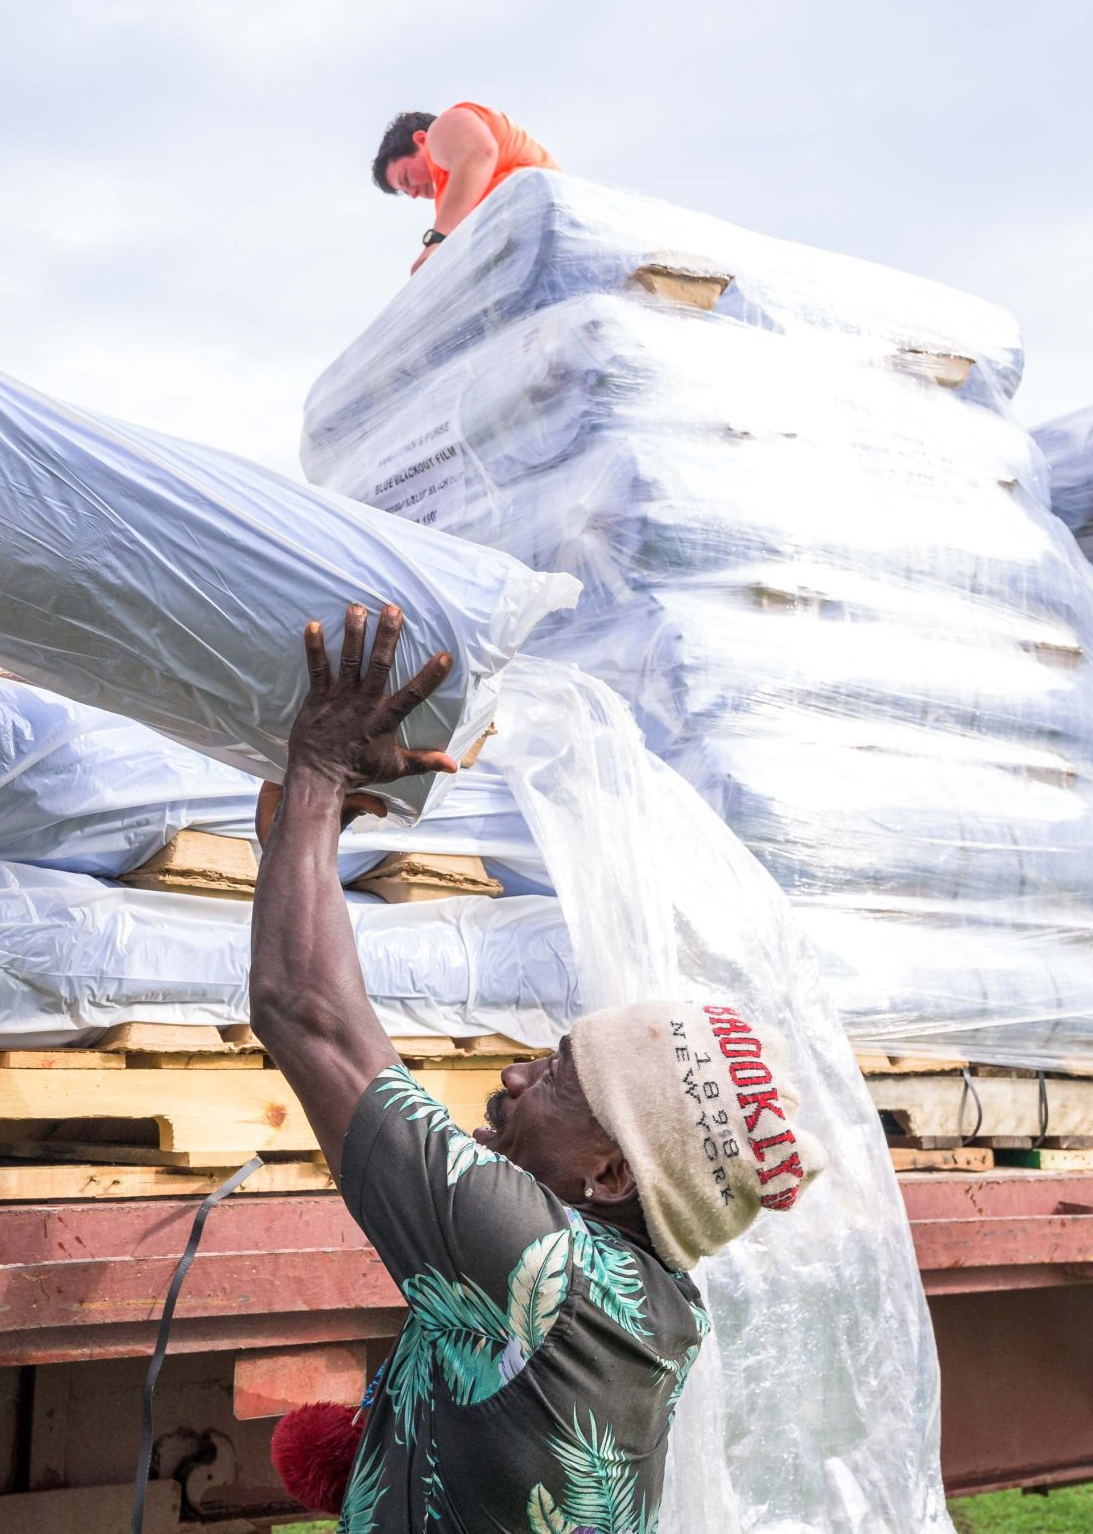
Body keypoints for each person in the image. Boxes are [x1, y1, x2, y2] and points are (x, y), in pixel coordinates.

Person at [247, 603, 823, 1531]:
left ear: (612, 1172)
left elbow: (306, 1016)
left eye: (559, 1081)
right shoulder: (648, 1300)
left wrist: (320, 768)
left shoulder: (548, 1273)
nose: (514, 1080)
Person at [370, 104, 559, 273]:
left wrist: (438, 239)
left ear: (420, 140)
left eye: (406, 179)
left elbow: (480, 152)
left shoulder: (443, 127)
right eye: (406, 193)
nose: (413, 193)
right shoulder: (455, 202)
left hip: (547, 227)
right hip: (535, 256)